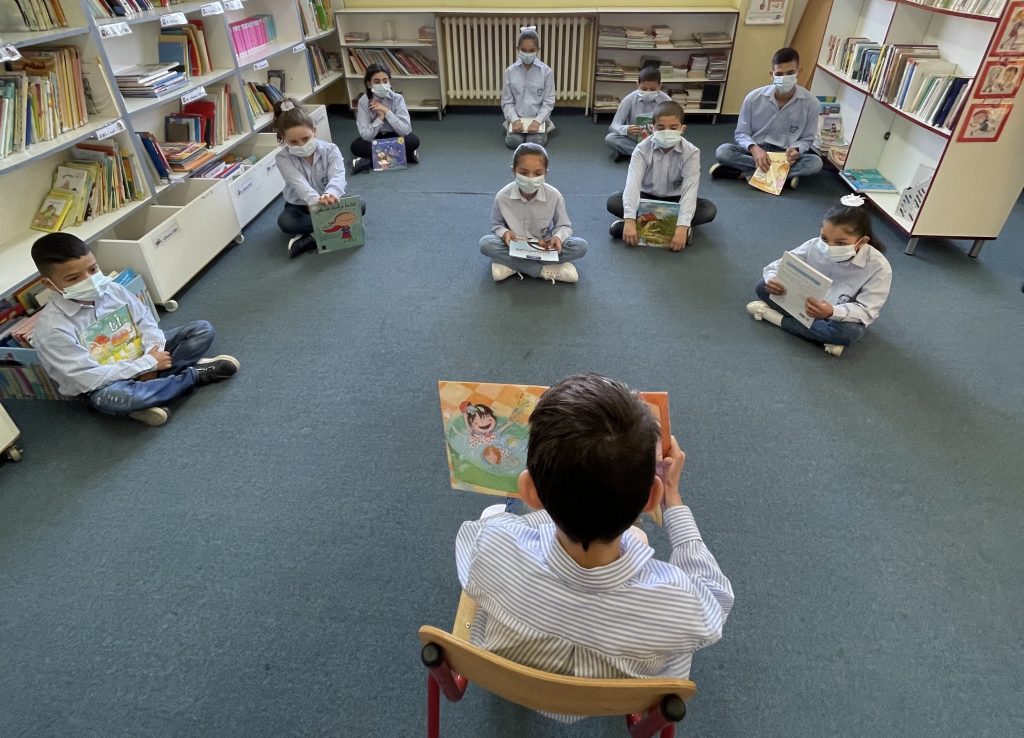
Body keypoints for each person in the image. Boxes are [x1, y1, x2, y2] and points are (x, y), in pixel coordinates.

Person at [455, 373, 734, 719]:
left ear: (531, 493)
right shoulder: (679, 603)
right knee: (638, 540)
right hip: (616, 695)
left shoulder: (491, 546)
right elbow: (717, 598)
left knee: (497, 513)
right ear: (651, 498)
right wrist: (673, 500)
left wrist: (537, 512)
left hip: (511, 674)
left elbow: (482, 533)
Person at [30, 233, 239, 427]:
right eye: (73, 278)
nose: (89, 280)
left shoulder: (112, 289)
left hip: (144, 355)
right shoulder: (52, 329)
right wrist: (147, 365)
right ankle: (192, 376)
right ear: (49, 284)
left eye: (93, 270)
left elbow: (146, 322)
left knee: (202, 330)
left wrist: (150, 357)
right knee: (117, 398)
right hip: (104, 383)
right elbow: (86, 378)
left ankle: (154, 394)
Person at [746, 194, 892, 357]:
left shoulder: (879, 267)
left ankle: (775, 318)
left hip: (837, 316)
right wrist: (773, 279)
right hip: (805, 302)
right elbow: (779, 265)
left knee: (849, 333)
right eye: (824, 238)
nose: (829, 246)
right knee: (762, 286)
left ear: (862, 242)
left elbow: (867, 311)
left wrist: (831, 312)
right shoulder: (814, 245)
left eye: (841, 243)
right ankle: (821, 335)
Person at [607, 101, 717, 251]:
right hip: (646, 197)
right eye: (661, 127)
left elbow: (690, 190)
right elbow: (632, 184)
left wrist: (682, 226)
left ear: (682, 129)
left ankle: (647, 227)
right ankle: (666, 229)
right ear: (652, 128)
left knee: (708, 210)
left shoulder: (691, 152)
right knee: (613, 201)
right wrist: (630, 219)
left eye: (673, 128)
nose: (667, 132)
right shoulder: (641, 149)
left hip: (675, 200)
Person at [711, 47, 822, 189]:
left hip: (785, 154)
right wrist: (755, 150)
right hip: (756, 150)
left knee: (815, 163)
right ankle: (782, 177)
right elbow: (741, 133)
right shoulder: (753, 98)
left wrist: (796, 149)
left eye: (790, 73)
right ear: (772, 74)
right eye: (779, 74)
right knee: (723, 151)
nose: (784, 78)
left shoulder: (811, 103)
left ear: (799, 72)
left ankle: (745, 174)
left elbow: (807, 139)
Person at [480, 143, 587, 284]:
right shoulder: (502, 197)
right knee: (486, 244)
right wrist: (504, 233)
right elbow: (496, 225)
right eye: (524, 173)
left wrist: (557, 237)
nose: (530, 178)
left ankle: (512, 266)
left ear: (545, 173)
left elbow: (564, 226)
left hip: (543, 246)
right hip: (514, 245)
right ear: (514, 171)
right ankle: (543, 271)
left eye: (537, 173)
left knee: (580, 246)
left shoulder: (554, 196)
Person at [274, 97, 365, 258]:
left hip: (330, 200)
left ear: (314, 131)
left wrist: (331, 194)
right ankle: (337, 227)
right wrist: (314, 202)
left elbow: (338, 176)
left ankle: (311, 237)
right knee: (286, 222)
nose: (301, 145)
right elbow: (298, 182)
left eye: (305, 138)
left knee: (361, 205)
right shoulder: (282, 158)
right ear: (283, 138)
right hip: (299, 204)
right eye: (293, 142)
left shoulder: (330, 149)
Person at [350, 63, 420, 174]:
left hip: (395, 135)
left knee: (413, 141)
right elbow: (366, 135)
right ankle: (404, 156)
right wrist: (380, 118)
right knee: (357, 146)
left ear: (389, 82)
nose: (382, 85)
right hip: (375, 138)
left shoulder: (398, 98)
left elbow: (406, 130)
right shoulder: (363, 101)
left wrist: (386, 111)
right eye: (377, 82)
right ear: (369, 84)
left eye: (385, 81)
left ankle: (368, 162)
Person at [501, 27, 555, 149]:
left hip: (537, 118)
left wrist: (538, 121)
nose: (527, 54)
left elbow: (549, 101)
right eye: (524, 50)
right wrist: (514, 120)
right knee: (513, 142)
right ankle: (512, 128)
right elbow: (507, 101)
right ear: (517, 49)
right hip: (517, 117)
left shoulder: (546, 72)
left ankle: (544, 128)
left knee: (535, 143)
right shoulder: (510, 71)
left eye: (531, 50)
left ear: (538, 50)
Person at [604, 66, 671, 159]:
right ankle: (648, 155)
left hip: (656, 139)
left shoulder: (667, 101)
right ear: (637, 84)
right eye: (644, 89)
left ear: (660, 85)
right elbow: (613, 126)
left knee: (675, 141)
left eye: (652, 89)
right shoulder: (629, 99)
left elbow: (673, 126)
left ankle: (634, 154)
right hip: (633, 138)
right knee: (610, 138)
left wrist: (661, 129)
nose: (648, 92)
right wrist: (626, 129)